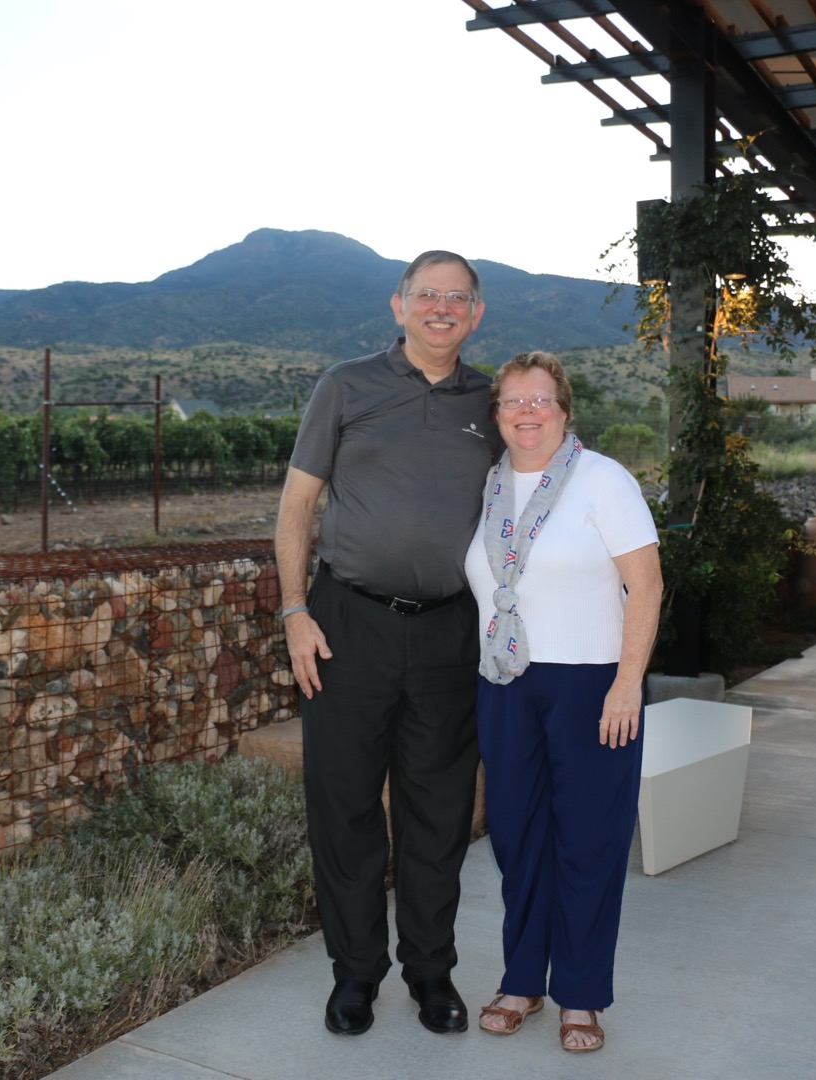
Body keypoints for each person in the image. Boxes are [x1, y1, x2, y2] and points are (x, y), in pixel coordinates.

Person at [276, 251, 501, 1037]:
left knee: (438, 811)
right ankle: (355, 975)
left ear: (475, 314)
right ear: (399, 305)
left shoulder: (491, 401)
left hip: (450, 630)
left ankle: (431, 973)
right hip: (347, 624)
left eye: (457, 297)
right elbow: (297, 506)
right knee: (344, 807)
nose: (442, 307)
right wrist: (294, 610)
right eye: (427, 293)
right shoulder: (346, 385)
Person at [463, 351, 661, 1052]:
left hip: (590, 685)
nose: (527, 412)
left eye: (540, 399)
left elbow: (647, 585)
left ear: (564, 410)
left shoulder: (603, 479)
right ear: (497, 414)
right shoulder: (488, 487)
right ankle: (522, 981)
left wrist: (628, 684)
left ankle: (580, 994)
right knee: (518, 840)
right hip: (505, 684)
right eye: (513, 400)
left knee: (588, 842)